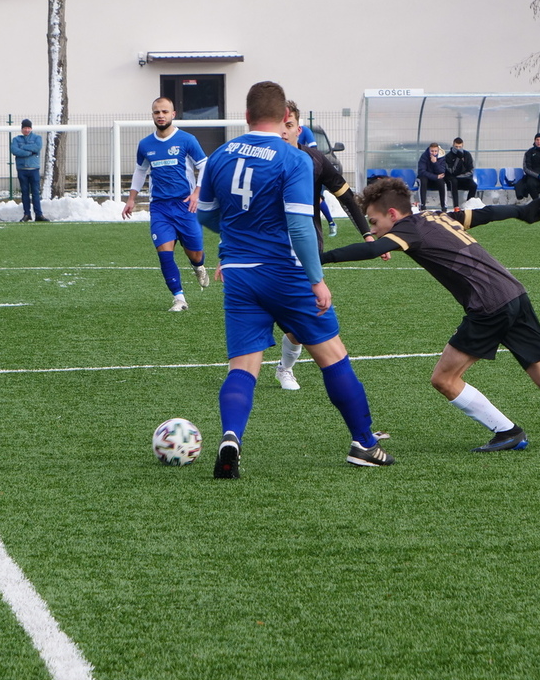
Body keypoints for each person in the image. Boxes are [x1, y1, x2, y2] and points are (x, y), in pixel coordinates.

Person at [321, 176, 540, 453]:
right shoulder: (436, 216)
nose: (374, 228)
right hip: (514, 294)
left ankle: (508, 432)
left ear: (393, 214)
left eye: (375, 221)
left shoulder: (408, 229)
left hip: (488, 304)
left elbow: (373, 249)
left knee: (444, 379)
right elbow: (483, 214)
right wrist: (521, 211)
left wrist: (319, 258)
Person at [196, 80, 393, 477]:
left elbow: (205, 215)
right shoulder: (293, 158)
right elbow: (301, 227)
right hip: (286, 273)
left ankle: (231, 436)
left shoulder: (219, 156)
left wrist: (237, 242)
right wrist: (316, 279)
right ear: (286, 116)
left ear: (246, 115)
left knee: (242, 366)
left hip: (238, 274)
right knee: (332, 355)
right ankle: (364, 443)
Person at [272, 100, 377, 392]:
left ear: (299, 129)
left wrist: (367, 234)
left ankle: (284, 368)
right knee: (260, 315)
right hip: (267, 250)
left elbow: (346, 197)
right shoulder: (261, 163)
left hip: (305, 252)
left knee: (302, 321)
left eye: (289, 125)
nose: (283, 132)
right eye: (279, 126)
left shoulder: (315, 160)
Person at [121, 96, 210, 312]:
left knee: (195, 254)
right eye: (156, 112)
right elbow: (140, 171)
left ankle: (198, 266)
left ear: (173, 114)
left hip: (186, 206)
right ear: (152, 115)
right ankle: (179, 298)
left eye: (164, 111)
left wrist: (197, 193)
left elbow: (205, 165)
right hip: (160, 207)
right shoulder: (145, 144)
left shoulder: (187, 140)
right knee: (164, 253)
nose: (160, 115)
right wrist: (131, 198)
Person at [10, 119, 47, 222]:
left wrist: (23, 147)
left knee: (35, 192)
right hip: (22, 169)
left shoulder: (37, 138)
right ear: (22, 129)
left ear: (31, 128)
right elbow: (14, 150)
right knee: (25, 193)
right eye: (25, 128)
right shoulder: (16, 139)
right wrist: (28, 152)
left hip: (34, 169)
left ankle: (39, 214)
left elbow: (37, 147)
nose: (26, 130)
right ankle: (27, 214)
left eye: (28, 128)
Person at [515, 133, 540, 202]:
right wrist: (538, 176)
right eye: (537, 140)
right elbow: (526, 168)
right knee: (530, 183)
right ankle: (537, 202)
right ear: (534, 141)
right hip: (535, 176)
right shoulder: (529, 152)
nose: (539, 142)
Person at [445, 137, 478, 210]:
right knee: (453, 182)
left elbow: (471, 169)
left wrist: (462, 175)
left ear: (462, 146)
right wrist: (458, 158)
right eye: (456, 147)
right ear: (453, 145)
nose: (458, 149)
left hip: (464, 178)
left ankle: (469, 205)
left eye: (460, 147)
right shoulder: (448, 156)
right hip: (453, 178)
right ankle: (456, 206)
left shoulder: (467, 154)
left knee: (473, 185)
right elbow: (451, 171)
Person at [417, 142, 448, 211]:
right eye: (432, 151)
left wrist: (435, 163)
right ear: (429, 150)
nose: (434, 153)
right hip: (427, 178)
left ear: (438, 151)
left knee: (442, 182)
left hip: (435, 179)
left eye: (435, 151)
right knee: (423, 180)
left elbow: (441, 172)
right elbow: (422, 171)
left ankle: (444, 207)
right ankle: (422, 205)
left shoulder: (442, 157)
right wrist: (435, 177)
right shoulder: (424, 156)